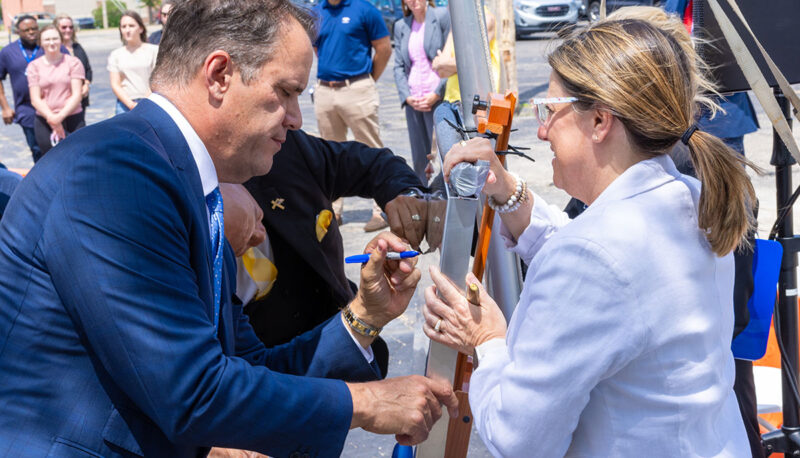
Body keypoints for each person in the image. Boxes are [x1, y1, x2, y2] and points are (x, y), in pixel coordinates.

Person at [0, 1, 457, 456]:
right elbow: (193, 393)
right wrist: (367, 402)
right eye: (287, 91)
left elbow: (251, 365)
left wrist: (365, 315)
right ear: (219, 75)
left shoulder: (185, 186)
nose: (298, 118)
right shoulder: (119, 174)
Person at [423, 18, 755, 456]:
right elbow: (607, 272)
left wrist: (488, 341)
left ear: (600, 120)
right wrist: (509, 193)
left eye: (549, 111)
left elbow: (518, 437)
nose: (541, 132)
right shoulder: (690, 197)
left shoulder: (594, 254)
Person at [234, 129, 427, 348]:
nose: (295, 117)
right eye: (284, 93)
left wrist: (406, 196)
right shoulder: (196, 207)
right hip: (273, 370)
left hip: (346, 344)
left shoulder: (284, 145)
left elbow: (371, 164)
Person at [313, 0, 393, 231]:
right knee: (328, 152)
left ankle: (382, 210)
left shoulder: (365, 9)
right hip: (325, 90)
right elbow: (318, 48)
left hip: (357, 88)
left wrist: (367, 81)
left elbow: (384, 48)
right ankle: (334, 210)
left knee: (372, 150)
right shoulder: (318, 11)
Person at [392, 0, 450, 184]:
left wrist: (437, 93)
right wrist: (407, 97)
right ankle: (425, 200)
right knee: (419, 158)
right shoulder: (401, 25)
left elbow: (451, 58)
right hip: (414, 101)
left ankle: (447, 200)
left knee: (445, 154)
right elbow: (399, 66)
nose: (413, 1)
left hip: (438, 99)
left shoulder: (441, 16)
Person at [27, 25, 86, 158]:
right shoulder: (33, 66)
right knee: (50, 160)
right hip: (45, 121)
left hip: (73, 119)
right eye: (47, 39)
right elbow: (35, 99)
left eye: (55, 38)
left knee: (77, 158)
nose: (51, 42)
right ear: (40, 43)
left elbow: (77, 94)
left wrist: (59, 117)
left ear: (60, 40)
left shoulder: (73, 63)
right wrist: (52, 118)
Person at [0, 16, 46, 161]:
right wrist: (5, 107)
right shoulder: (8, 52)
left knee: (58, 148)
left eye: (34, 28)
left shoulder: (48, 46)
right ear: (18, 31)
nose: (31, 32)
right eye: (26, 30)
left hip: (55, 108)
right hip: (27, 110)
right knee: (37, 150)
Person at [107, 11, 158, 115]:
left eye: (131, 26)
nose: (127, 30)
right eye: (123, 26)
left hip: (151, 102)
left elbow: (157, 79)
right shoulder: (116, 55)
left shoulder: (154, 51)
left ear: (141, 28)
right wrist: (131, 105)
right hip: (125, 106)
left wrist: (145, 102)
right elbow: (115, 84)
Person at [55, 14, 93, 115]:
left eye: (71, 27)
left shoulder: (77, 47)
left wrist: (86, 85)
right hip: (60, 101)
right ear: (56, 28)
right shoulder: (53, 49)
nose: (68, 30)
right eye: (64, 27)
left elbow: (88, 69)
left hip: (80, 99)